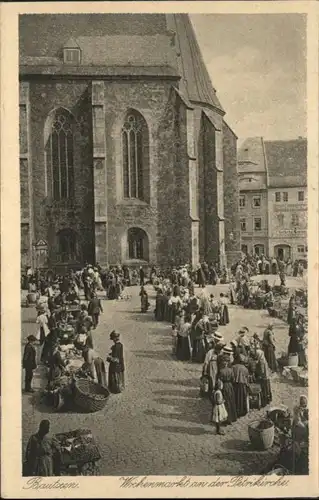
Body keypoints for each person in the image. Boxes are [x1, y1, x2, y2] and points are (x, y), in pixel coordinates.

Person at [218, 358, 237, 424]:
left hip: (225, 386)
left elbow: (220, 380)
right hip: (230, 386)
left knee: (225, 402)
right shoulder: (231, 370)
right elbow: (233, 379)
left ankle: (226, 418)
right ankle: (231, 418)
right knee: (231, 401)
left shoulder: (221, 371)